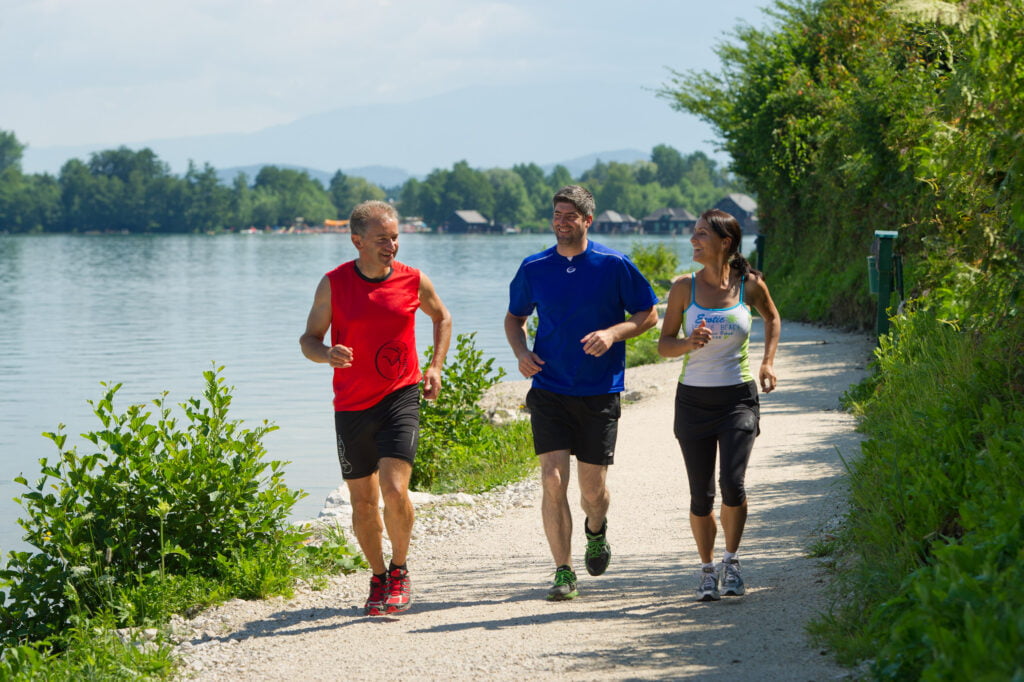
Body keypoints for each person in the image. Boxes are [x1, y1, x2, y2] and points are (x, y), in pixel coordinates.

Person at [505, 185, 659, 601]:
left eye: (570, 216)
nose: (561, 222)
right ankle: (562, 570)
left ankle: (596, 530)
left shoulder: (613, 264)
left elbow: (649, 314)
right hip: (550, 389)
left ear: (587, 220)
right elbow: (515, 317)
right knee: (552, 480)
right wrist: (521, 353)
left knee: (593, 492)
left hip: (598, 390)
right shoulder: (534, 266)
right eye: (557, 214)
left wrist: (613, 333)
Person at [299, 200, 452, 616]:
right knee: (363, 503)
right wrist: (327, 352)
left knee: (394, 489)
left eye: (396, 237)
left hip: (399, 396)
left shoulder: (413, 281)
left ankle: (400, 570)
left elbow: (443, 318)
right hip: (351, 406)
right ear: (357, 241)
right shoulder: (333, 284)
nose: (393, 245)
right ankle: (378, 575)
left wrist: (435, 367)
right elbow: (308, 340)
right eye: (383, 238)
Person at [657, 208, 780, 601]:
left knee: (733, 482)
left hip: (738, 397)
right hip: (693, 399)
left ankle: (732, 561)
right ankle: (707, 570)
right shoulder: (683, 289)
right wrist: (688, 343)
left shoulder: (750, 284)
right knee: (700, 493)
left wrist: (767, 361)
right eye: (693, 234)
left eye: (701, 235)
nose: (693, 241)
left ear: (725, 243)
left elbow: (772, 318)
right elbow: (663, 346)